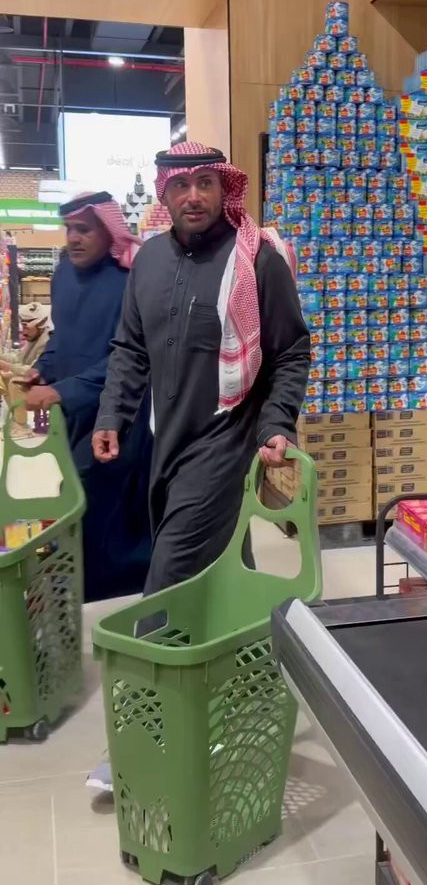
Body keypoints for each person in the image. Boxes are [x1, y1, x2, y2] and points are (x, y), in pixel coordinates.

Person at [92, 141, 310, 595]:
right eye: (181, 186)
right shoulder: (148, 261)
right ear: (164, 194)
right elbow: (130, 348)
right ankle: (238, 632)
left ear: (223, 188)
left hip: (226, 439)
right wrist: (112, 413)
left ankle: (154, 640)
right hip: (167, 438)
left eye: (205, 183)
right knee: (219, 560)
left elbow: (290, 351)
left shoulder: (257, 261)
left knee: (171, 570)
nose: (193, 196)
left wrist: (277, 421)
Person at [21, 192, 153, 600]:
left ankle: (107, 595)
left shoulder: (129, 282)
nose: (73, 238)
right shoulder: (63, 273)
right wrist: (43, 367)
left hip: (117, 417)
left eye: (84, 229)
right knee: (70, 496)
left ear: (109, 232)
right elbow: (62, 336)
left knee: (101, 503)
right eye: (69, 229)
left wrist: (61, 390)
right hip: (70, 414)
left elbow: (129, 357)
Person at [0, 301, 52, 374]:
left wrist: (6, 366)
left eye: (27, 328)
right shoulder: (33, 338)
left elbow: (33, 371)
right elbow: (18, 358)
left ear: (41, 324)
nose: (24, 333)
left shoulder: (48, 343)